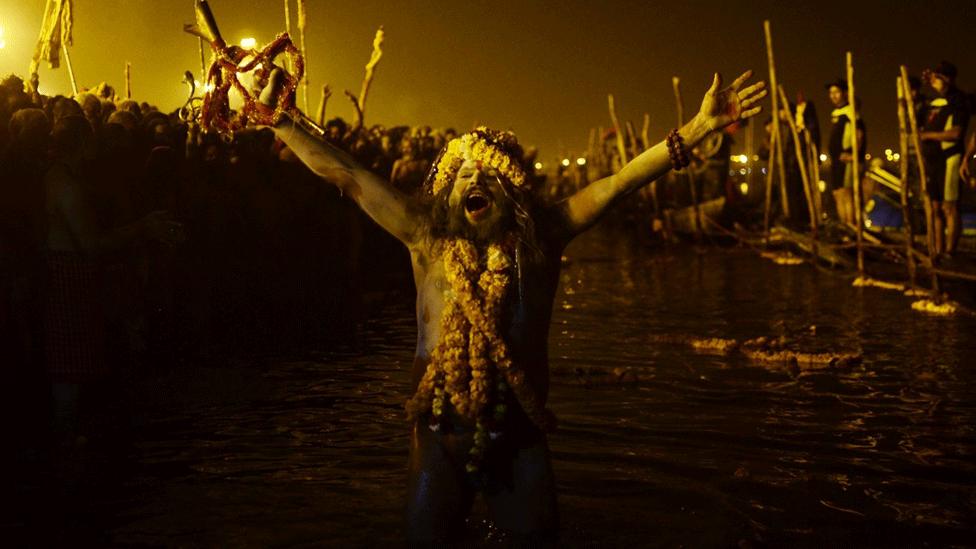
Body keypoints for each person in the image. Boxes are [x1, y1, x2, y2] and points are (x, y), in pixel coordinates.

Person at [259, 67, 766, 545]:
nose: (475, 180)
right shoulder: (425, 238)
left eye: (489, 174)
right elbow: (348, 174)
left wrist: (697, 130)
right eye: (463, 175)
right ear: (446, 195)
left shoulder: (543, 237)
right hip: (438, 435)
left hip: (518, 436)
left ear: (512, 189)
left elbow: (618, 184)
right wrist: (279, 120)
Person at [920, 61, 970, 259]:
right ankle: (938, 250)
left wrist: (928, 136)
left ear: (948, 79)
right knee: (935, 207)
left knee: (950, 207)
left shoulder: (959, 101)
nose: (934, 81)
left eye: (938, 78)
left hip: (950, 158)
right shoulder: (934, 102)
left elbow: (956, 133)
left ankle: (950, 251)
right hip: (934, 162)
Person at [825, 78, 866, 225]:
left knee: (847, 194)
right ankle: (845, 227)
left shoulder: (851, 111)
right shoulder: (837, 112)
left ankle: (852, 227)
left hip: (847, 160)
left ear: (845, 93)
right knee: (837, 193)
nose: (833, 96)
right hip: (836, 161)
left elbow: (859, 134)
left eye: (836, 92)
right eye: (831, 93)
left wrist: (853, 154)